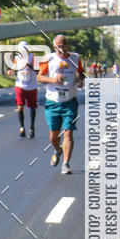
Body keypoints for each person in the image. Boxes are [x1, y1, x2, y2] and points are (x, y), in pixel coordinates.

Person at [37, 34, 84, 175]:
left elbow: (82, 74)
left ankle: (66, 163)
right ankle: (58, 150)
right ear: (54, 47)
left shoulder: (75, 58)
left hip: (70, 101)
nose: (60, 49)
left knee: (68, 132)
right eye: (58, 46)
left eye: (63, 46)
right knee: (53, 136)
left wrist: (79, 80)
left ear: (67, 45)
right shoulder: (48, 59)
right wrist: (53, 80)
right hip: (53, 101)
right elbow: (39, 77)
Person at [13, 40, 38, 137]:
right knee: (20, 107)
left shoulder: (32, 57)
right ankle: (22, 127)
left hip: (32, 86)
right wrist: (11, 70)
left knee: (32, 107)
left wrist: (29, 65)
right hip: (20, 85)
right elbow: (13, 67)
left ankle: (31, 127)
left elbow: (38, 70)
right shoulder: (17, 58)